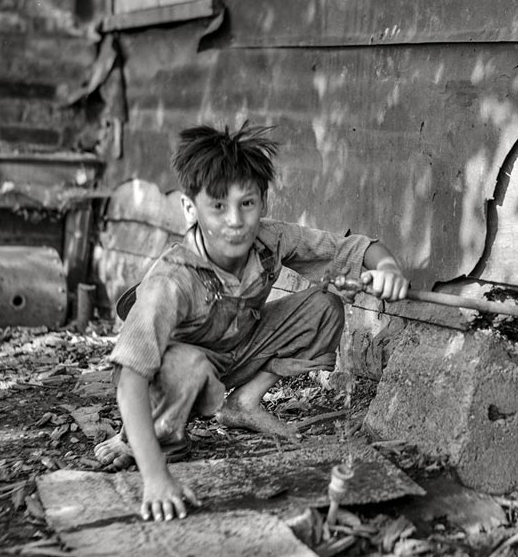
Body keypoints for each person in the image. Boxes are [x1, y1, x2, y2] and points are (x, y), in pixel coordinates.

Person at [94, 122, 409, 522]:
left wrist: (388, 269)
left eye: (248, 204)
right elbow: (129, 378)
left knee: (326, 305)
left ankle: (243, 403)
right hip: (175, 373)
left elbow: (353, 247)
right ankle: (145, 440)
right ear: (190, 209)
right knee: (185, 366)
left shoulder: (269, 239)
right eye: (218, 206)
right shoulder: (171, 280)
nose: (236, 221)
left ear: (263, 202)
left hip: (238, 352)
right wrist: (155, 477)